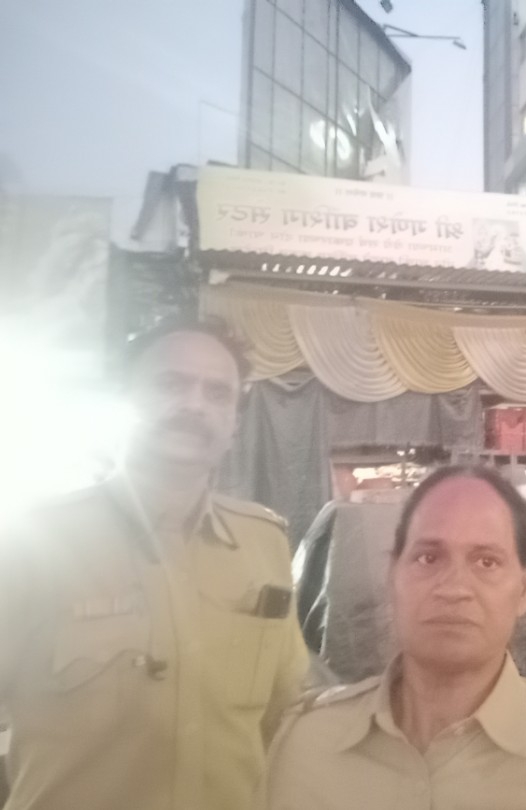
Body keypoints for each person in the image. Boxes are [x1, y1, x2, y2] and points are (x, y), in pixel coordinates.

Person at [0, 318, 309, 810]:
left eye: (218, 393)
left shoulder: (263, 543)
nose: (194, 405)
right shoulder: (31, 541)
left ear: (234, 423)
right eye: (170, 383)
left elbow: (286, 710)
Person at [260, 465, 526, 810]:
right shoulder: (306, 746)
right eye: (428, 558)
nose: (454, 588)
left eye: (486, 562)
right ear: (392, 577)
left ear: (523, 590)